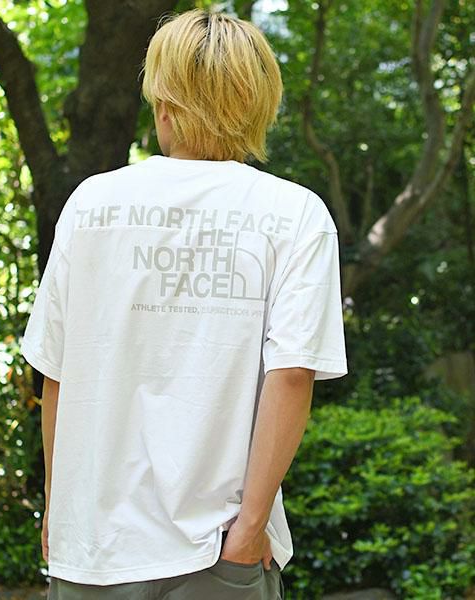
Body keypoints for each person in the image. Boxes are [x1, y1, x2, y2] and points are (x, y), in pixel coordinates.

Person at [20, 7, 348, 600]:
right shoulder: (295, 214)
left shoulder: (92, 204)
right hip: (218, 548)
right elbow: (292, 375)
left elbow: (57, 375)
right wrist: (249, 530)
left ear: (165, 103)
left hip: (94, 549)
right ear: (259, 102)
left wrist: (57, 507)